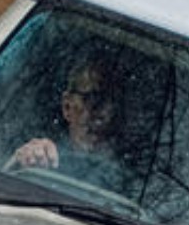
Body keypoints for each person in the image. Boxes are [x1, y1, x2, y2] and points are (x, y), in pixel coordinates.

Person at [7, 55, 129, 187]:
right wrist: (22, 163)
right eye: (95, 100)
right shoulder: (43, 159)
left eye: (116, 104)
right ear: (67, 107)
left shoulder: (137, 182)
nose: (105, 114)